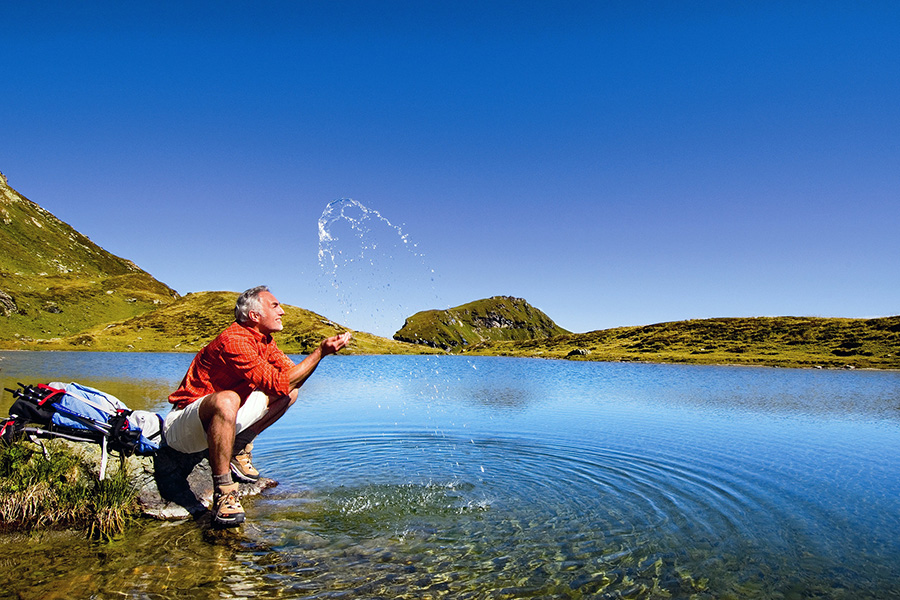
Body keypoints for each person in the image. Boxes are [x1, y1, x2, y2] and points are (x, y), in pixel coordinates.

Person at [163, 285, 351, 527]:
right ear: (254, 316)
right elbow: (279, 381)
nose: (282, 311)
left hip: (219, 420)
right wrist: (320, 353)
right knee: (228, 398)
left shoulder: (265, 341)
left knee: (289, 393)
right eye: (275, 306)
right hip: (183, 430)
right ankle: (224, 491)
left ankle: (238, 447)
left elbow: (290, 379)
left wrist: (320, 355)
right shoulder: (234, 340)